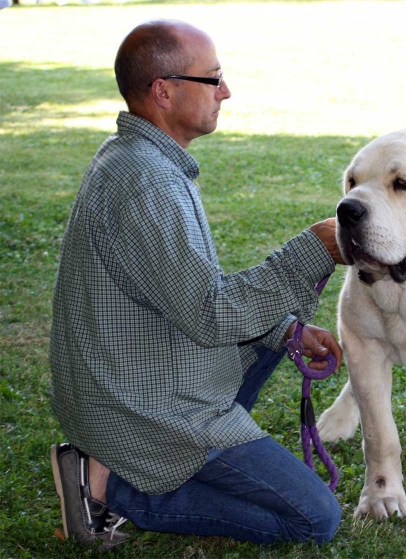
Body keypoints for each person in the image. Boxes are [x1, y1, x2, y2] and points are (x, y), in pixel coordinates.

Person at [49, 19, 345, 552]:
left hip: (130, 375)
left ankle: (141, 460)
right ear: (163, 91)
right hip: (140, 403)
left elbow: (187, 295)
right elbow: (211, 315)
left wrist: (284, 332)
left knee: (267, 331)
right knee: (315, 518)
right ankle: (112, 485)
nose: (225, 91)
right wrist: (316, 247)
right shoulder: (147, 183)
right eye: (213, 79)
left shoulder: (138, 159)